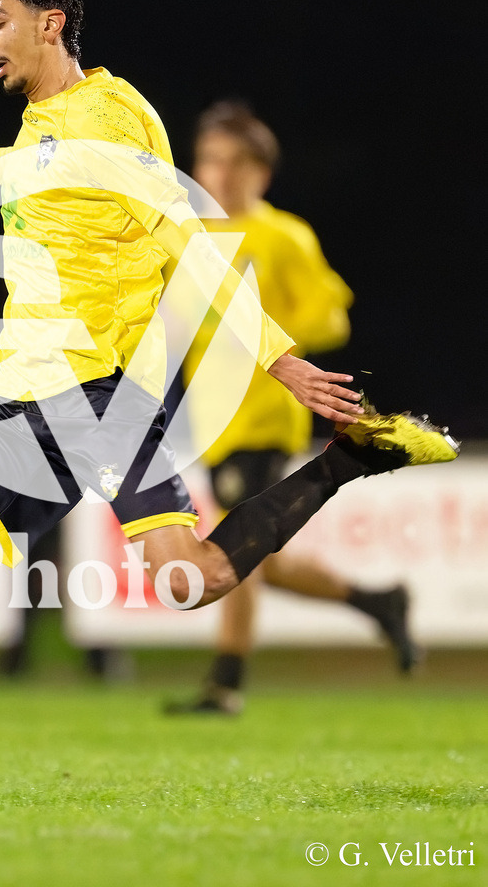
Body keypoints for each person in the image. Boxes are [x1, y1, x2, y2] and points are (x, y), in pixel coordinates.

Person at [0, 0, 456, 802]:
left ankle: (348, 460)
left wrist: (280, 360)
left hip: (102, 395)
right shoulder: (44, 121)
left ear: (50, 23)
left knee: (190, 580)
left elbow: (188, 243)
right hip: (20, 393)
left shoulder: (115, 116)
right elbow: (34, 168)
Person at [164, 101, 420, 717]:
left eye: (237, 163)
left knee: (231, 549)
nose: (221, 174)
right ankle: (375, 602)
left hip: (265, 419)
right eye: (210, 160)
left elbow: (331, 316)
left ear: (263, 173)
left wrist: (267, 340)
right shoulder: (189, 237)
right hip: (214, 424)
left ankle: (225, 684)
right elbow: (174, 325)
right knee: (257, 557)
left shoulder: (284, 237)